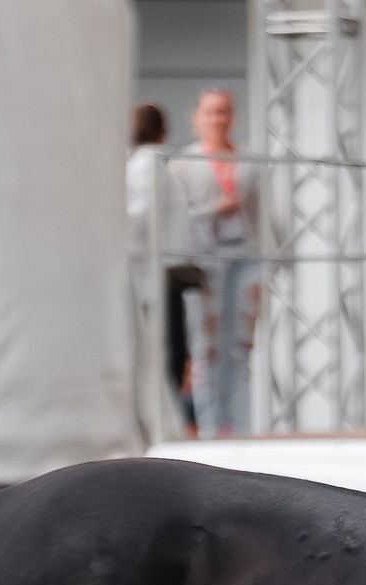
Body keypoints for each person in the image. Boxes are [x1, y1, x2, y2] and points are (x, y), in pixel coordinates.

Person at [165, 89, 262, 438]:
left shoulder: (250, 161)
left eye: (224, 112)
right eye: (211, 112)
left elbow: (265, 215)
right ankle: (208, 428)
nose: (218, 119)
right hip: (203, 262)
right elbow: (177, 217)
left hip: (245, 257)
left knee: (239, 347)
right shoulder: (183, 163)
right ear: (197, 117)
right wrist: (214, 210)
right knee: (205, 348)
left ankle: (237, 427)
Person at [127, 104, 198, 436]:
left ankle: (159, 425)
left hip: (150, 274)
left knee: (162, 349)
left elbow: (134, 219)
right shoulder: (156, 167)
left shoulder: (144, 167)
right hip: (161, 271)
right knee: (169, 350)